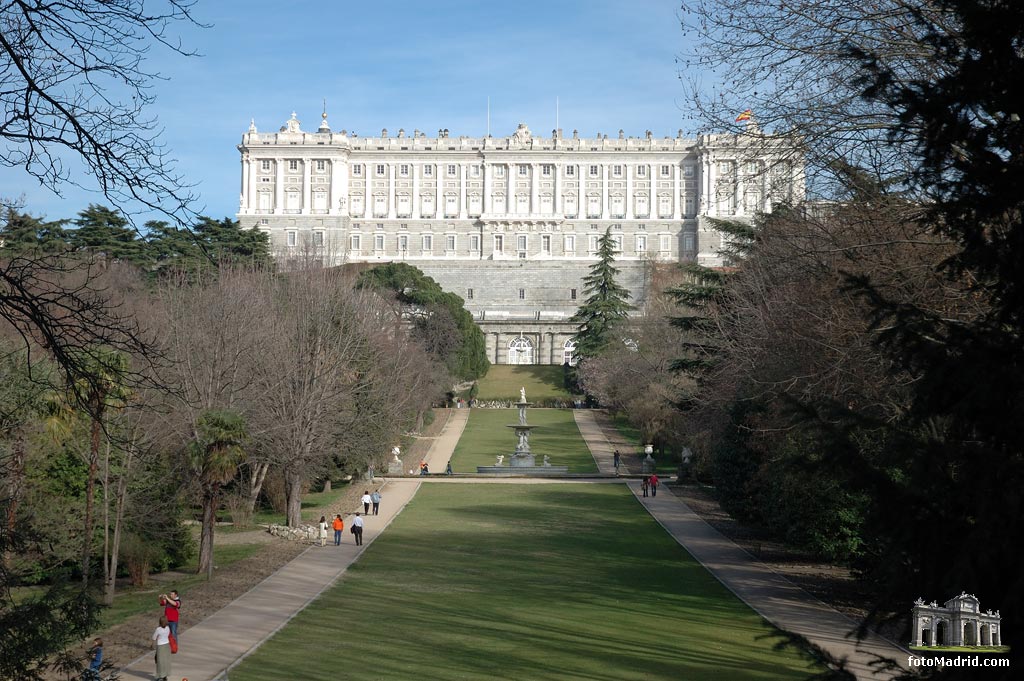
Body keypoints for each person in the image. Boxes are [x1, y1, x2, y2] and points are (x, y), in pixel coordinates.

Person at [152, 615, 172, 681]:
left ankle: (159, 676)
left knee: (160, 662)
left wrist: (152, 645)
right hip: (167, 645)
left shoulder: (158, 629)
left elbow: (154, 637)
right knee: (165, 661)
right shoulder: (168, 628)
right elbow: (168, 634)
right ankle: (165, 676)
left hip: (160, 646)